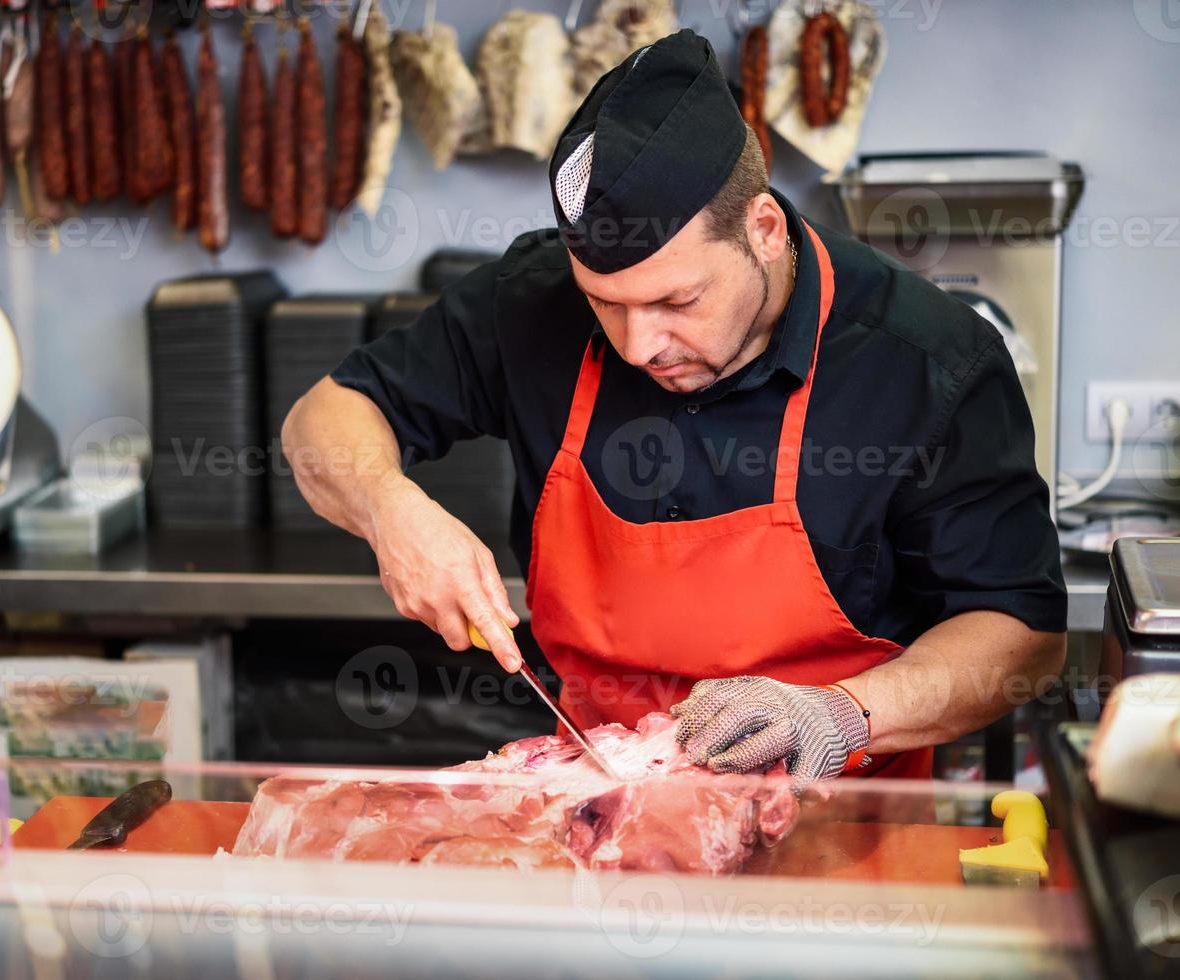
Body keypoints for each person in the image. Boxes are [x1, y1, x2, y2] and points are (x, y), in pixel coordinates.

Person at [282, 29, 1066, 779]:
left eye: (676, 300)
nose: (636, 345)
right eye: (604, 304)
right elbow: (325, 416)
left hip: (844, 830)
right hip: (600, 810)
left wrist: (838, 715)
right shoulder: (532, 303)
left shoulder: (924, 361)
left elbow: (1021, 634)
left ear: (761, 229)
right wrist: (389, 510)